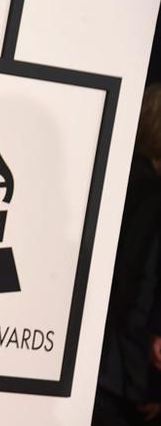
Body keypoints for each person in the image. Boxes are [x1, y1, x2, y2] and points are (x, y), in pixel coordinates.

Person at [94, 82, 161, 425]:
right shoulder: (152, 197)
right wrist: (144, 387)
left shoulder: (114, 177)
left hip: (87, 359)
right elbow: (139, 290)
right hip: (119, 377)